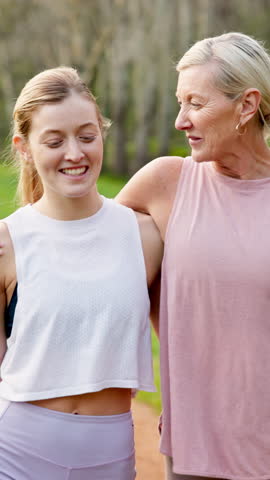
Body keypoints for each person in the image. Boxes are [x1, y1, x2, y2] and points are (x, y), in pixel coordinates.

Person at [116, 32, 270, 480]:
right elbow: (77, 238)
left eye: (195, 104)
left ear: (246, 105)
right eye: (179, 103)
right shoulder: (166, 182)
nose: (181, 120)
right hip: (191, 448)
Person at [0, 66, 163, 479]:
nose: (75, 154)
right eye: (54, 141)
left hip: (112, 456)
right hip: (17, 452)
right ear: (23, 147)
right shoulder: (8, 243)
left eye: (87, 136)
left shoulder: (145, 236)